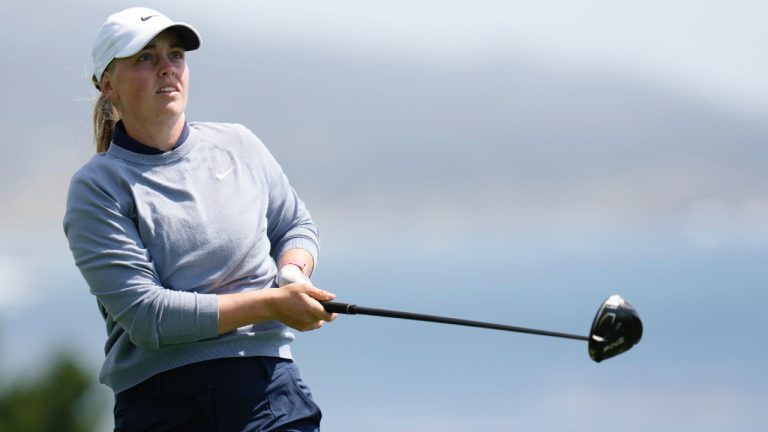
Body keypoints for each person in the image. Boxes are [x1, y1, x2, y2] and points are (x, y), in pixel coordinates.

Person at [63, 7, 337, 431]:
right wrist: (271, 304)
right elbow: (148, 317)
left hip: (270, 391)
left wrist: (293, 274)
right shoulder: (97, 187)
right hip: (163, 405)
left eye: (175, 55)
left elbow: (294, 226)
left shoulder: (239, 145)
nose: (167, 69)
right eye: (145, 58)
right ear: (108, 84)